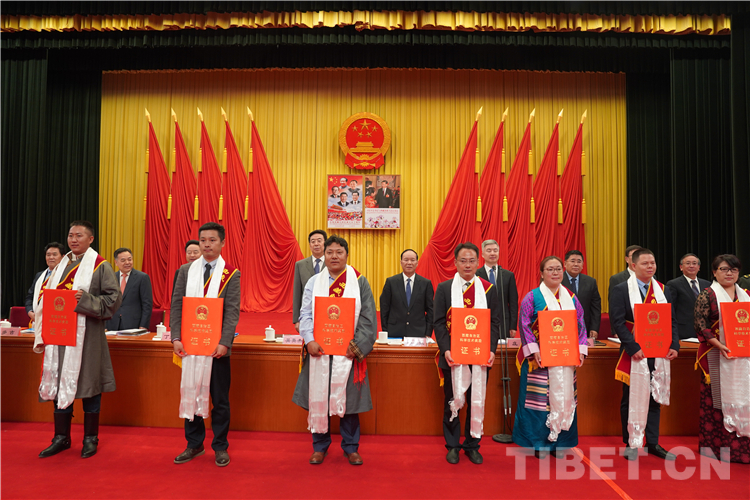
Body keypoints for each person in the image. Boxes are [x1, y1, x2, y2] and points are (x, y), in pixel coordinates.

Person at [34, 221, 122, 459]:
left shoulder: (100, 265)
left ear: (90, 239)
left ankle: (90, 438)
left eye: (79, 235)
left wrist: (86, 300)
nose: (73, 239)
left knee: (90, 386)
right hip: (59, 335)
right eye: (71, 235)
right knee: (59, 383)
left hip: (88, 337)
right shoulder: (61, 265)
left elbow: (113, 301)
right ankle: (61, 437)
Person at [292, 235, 377, 466]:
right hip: (319, 351)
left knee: (350, 403)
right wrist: (309, 340)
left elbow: (368, 318)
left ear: (347, 255)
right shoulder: (314, 282)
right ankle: (319, 447)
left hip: (348, 353)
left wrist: (357, 346)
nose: (334, 256)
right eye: (330, 252)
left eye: (339, 252)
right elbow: (305, 314)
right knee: (318, 397)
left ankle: (351, 447)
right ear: (324, 255)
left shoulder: (359, 282)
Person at [171, 222, 241, 467]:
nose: (207, 245)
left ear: (222, 243)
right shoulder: (185, 271)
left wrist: (224, 342)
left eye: (212, 240)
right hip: (190, 346)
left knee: (220, 400)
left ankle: (220, 446)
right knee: (190, 393)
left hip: (217, 349)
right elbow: (177, 306)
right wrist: (176, 337)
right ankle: (194, 444)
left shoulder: (230, 273)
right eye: (203, 240)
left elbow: (232, 311)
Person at [512, 256, 588, 458]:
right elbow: (524, 324)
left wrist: (581, 350)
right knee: (539, 403)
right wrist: (534, 350)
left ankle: (560, 442)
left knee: (565, 398)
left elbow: (581, 323)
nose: (555, 273)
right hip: (539, 360)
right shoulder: (532, 297)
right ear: (542, 273)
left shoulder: (572, 298)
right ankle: (539, 444)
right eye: (550, 269)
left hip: (565, 358)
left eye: (558, 269)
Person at [609, 248, 679, 461]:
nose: (650, 267)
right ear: (633, 265)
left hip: (659, 352)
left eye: (653, 263)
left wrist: (674, 345)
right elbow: (617, 322)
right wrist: (633, 347)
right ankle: (631, 442)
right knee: (631, 397)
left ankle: (652, 442)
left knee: (654, 397)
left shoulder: (663, 290)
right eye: (645, 263)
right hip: (634, 353)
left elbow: (671, 320)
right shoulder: (621, 289)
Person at [433, 243, 500, 465]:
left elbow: (494, 322)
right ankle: (452, 445)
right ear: (455, 263)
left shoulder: (489, 289)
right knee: (452, 401)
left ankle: (472, 445)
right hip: (453, 356)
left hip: (480, 356)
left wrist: (491, 350)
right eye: (463, 260)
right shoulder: (444, 288)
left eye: (472, 260)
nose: (468, 265)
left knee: (475, 400)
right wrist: (446, 349)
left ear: (478, 262)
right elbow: (439, 322)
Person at [694, 254, 750, 463]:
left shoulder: (746, 295)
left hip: (743, 356)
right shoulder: (707, 295)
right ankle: (718, 448)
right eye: (724, 269)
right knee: (716, 402)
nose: (729, 273)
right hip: (715, 355)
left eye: (733, 270)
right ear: (714, 272)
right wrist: (719, 345)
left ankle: (743, 448)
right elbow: (700, 325)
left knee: (744, 399)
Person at [379, 249, 434, 339]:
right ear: (401, 262)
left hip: (418, 333)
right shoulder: (391, 282)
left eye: (412, 260)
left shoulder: (425, 283)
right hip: (394, 332)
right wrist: (386, 330)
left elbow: (431, 310)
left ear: (417, 263)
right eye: (406, 260)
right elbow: (384, 308)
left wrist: (428, 333)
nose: (409, 263)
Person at [476, 239, 518, 338]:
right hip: (481, 321)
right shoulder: (476, 275)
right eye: (489, 250)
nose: (492, 253)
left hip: (503, 323)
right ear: (482, 254)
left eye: (495, 250)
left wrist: (512, 326)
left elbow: (513, 303)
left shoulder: (508, 275)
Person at [106, 248, 153, 331]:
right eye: (123, 260)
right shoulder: (110, 277)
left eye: (129, 259)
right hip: (113, 324)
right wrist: (104, 325)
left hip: (133, 324)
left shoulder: (142, 278)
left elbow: (147, 304)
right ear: (116, 262)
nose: (127, 262)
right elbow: (106, 303)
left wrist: (143, 326)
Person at [666, 254, 711, 340]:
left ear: (699, 267)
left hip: (705, 331)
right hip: (684, 331)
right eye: (688, 263)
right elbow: (671, 309)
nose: (691, 266)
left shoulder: (707, 284)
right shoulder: (673, 284)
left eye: (694, 263)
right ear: (681, 267)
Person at [292, 230, 327, 332]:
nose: (316, 244)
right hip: (307, 313)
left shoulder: (333, 264)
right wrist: (297, 320)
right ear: (309, 245)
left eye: (319, 241)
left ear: (325, 243)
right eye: (313, 241)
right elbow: (297, 293)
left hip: (327, 311)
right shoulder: (300, 265)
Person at [562, 250, 602, 339]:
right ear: (565, 264)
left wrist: (594, 328)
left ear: (583, 265)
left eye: (579, 261)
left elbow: (595, 307)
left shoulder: (590, 282)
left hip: (584, 328)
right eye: (572, 261)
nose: (576, 264)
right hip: (562, 326)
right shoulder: (558, 281)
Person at [25, 242, 65, 323]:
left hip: (57, 319)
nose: (51, 257)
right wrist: (30, 312)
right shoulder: (39, 275)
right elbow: (29, 297)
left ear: (63, 257)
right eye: (48, 255)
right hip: (37, 319)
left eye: (54, 254)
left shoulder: (66, 276)